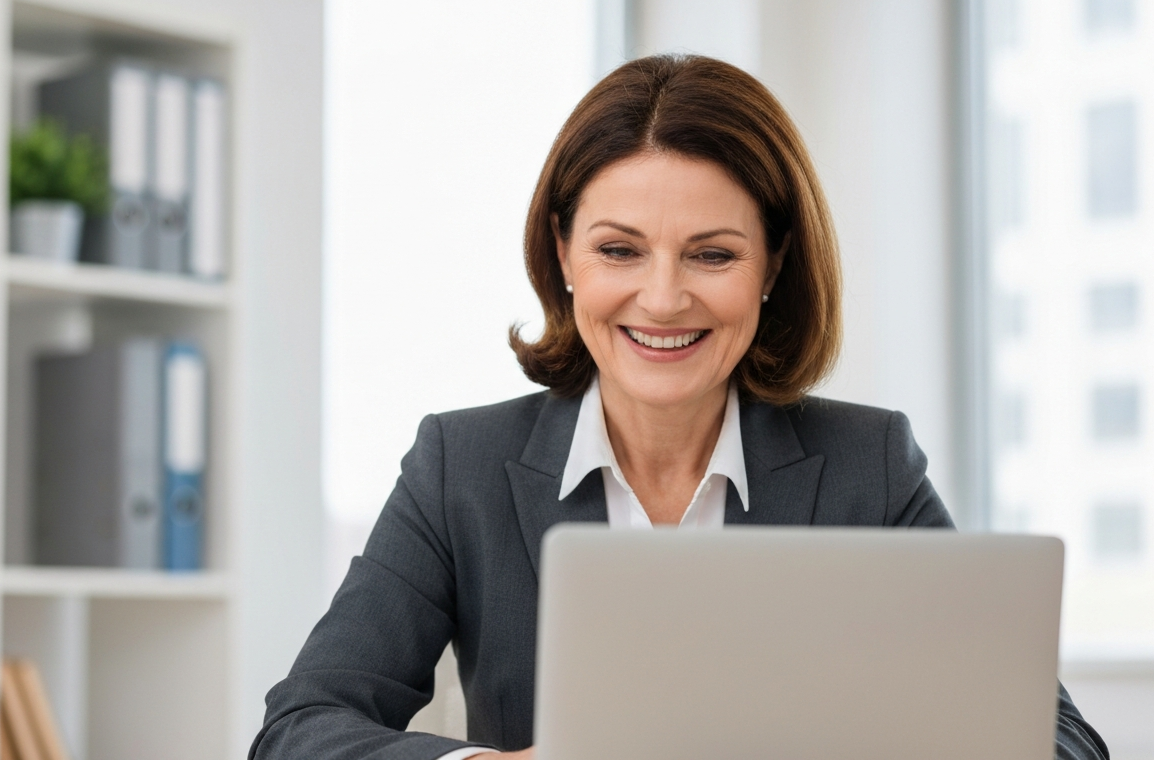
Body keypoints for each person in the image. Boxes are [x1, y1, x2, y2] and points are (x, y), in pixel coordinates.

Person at [249, 54, 1109, 760]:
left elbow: (1059, 738)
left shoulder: (869, 465)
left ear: (774, 265)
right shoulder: (458, 467)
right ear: (564, 253)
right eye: (619, 249)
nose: (662, 300)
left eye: (713, 255)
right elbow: (300, 729)